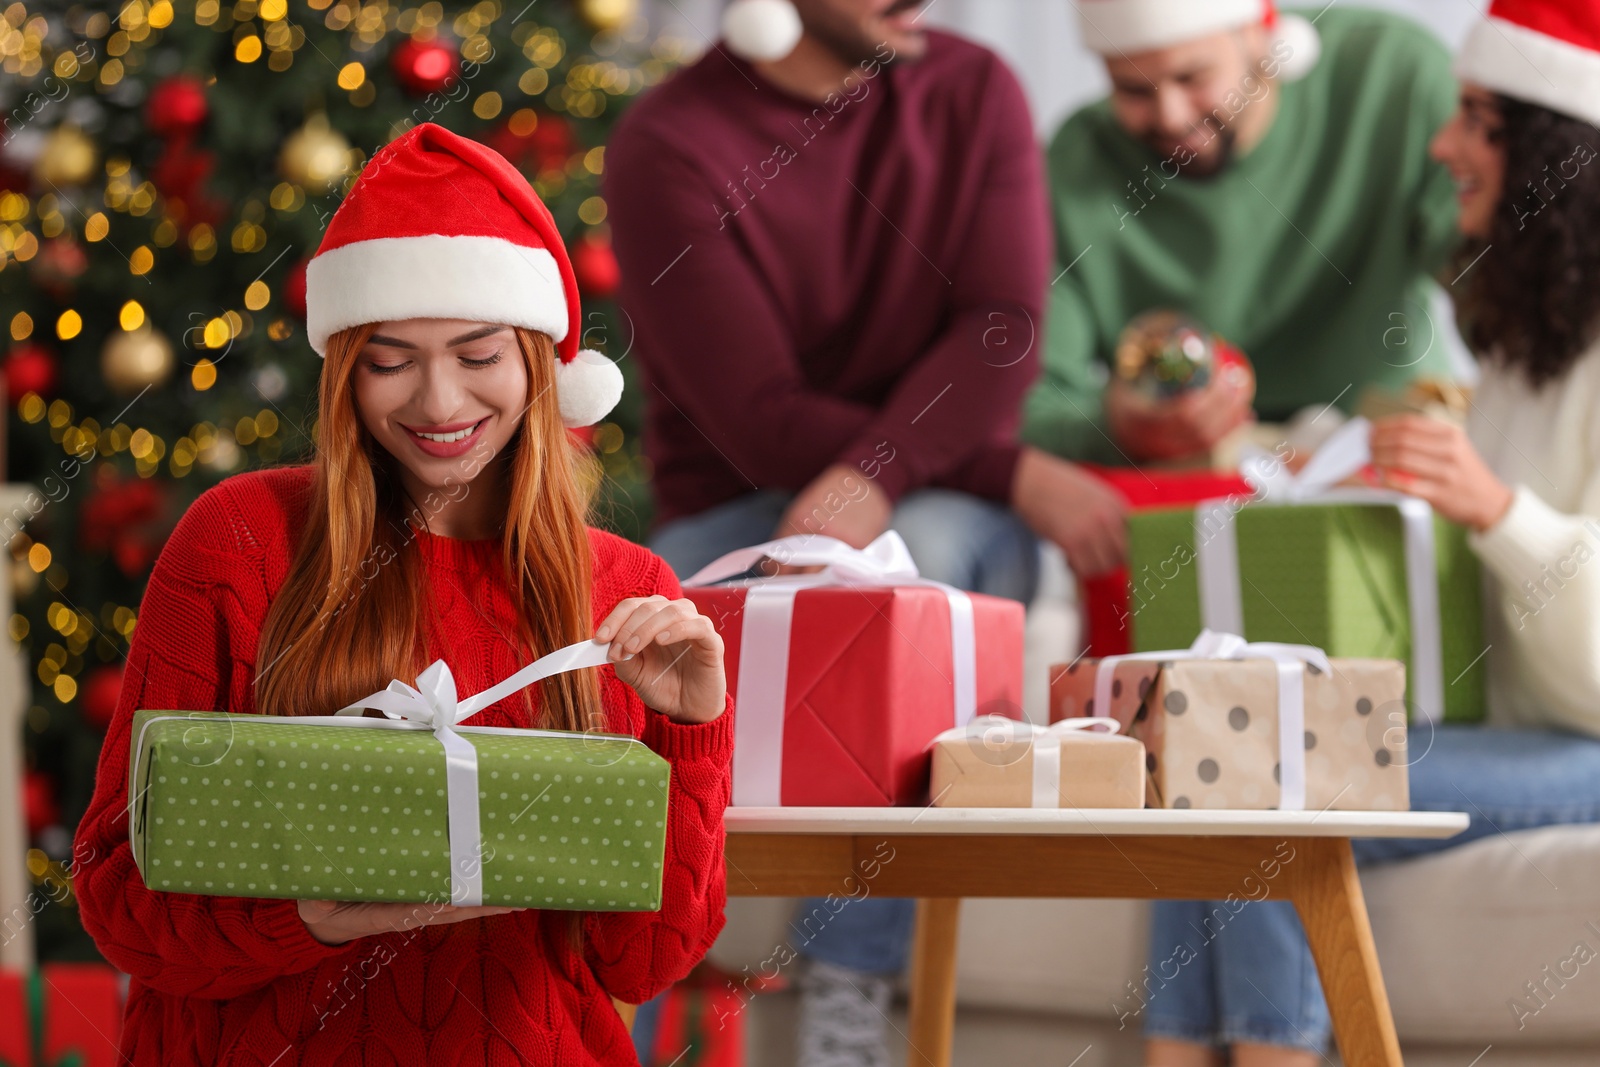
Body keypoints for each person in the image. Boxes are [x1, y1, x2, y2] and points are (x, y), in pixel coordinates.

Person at [71, 122, 734, 1066]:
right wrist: (310, 919)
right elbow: (116, 897)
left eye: (478, 355)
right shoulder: (239, 541)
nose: (437, 402)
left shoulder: (627, 592)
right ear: (344, 369)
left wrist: (693, 729)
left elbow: (645, 961)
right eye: (390, 360)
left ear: (541, 365)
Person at [604, 1, 1125, 1063]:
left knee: (910, 566)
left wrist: (879, 478)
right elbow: (753, 405)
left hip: (936, 504)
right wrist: (1009, 469)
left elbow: (999, 328)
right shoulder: (667, 141)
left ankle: (848, 982)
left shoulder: (969, 87)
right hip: (744, 495)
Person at [1142, 2, 1600, 1062]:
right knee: (1203, 759)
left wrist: (1496, 510)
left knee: (1263, 783)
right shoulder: (1523, 351)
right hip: (1503, 729)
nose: (1442, 146)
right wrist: (1315, 460)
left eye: (1476, 119)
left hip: (1581, 746)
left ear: (1552, 152)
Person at [1023, 0, 1462, 468]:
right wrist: (1118, 426)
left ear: (1259, 33)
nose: (1170, 116)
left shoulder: (1394, 77)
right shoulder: (1076, 167)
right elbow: (1032, 403)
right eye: (1132, 89)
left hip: (1391, 455)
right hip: (1195, 488)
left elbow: (1500, 282)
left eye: (1192, 77)